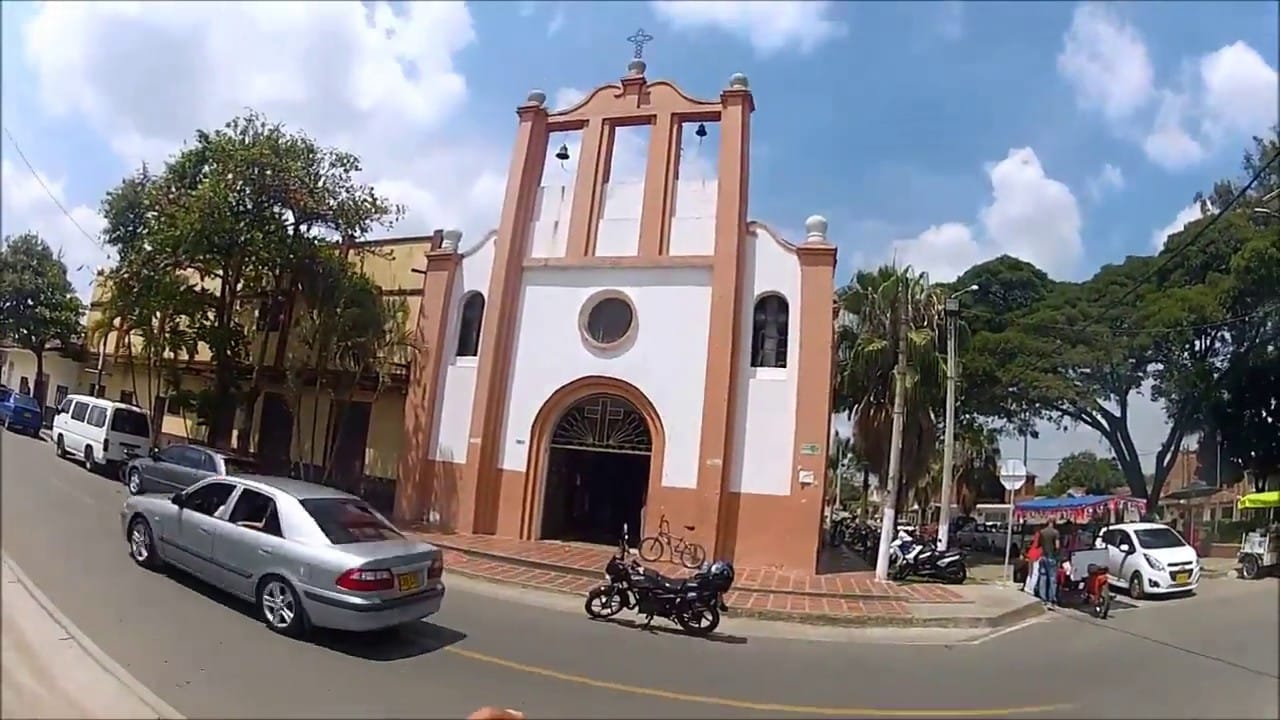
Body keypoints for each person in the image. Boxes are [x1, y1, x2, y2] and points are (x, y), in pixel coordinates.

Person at [1037, 518, 1062, 606]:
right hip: (1052, 557)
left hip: (1043, 557)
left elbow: (1038, 544)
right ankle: (1051, 599)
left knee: (1043, 578)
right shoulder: (1055, 532)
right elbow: (1057, 546)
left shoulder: (1042, 532)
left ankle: (1043, 598)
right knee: (1052, 579)